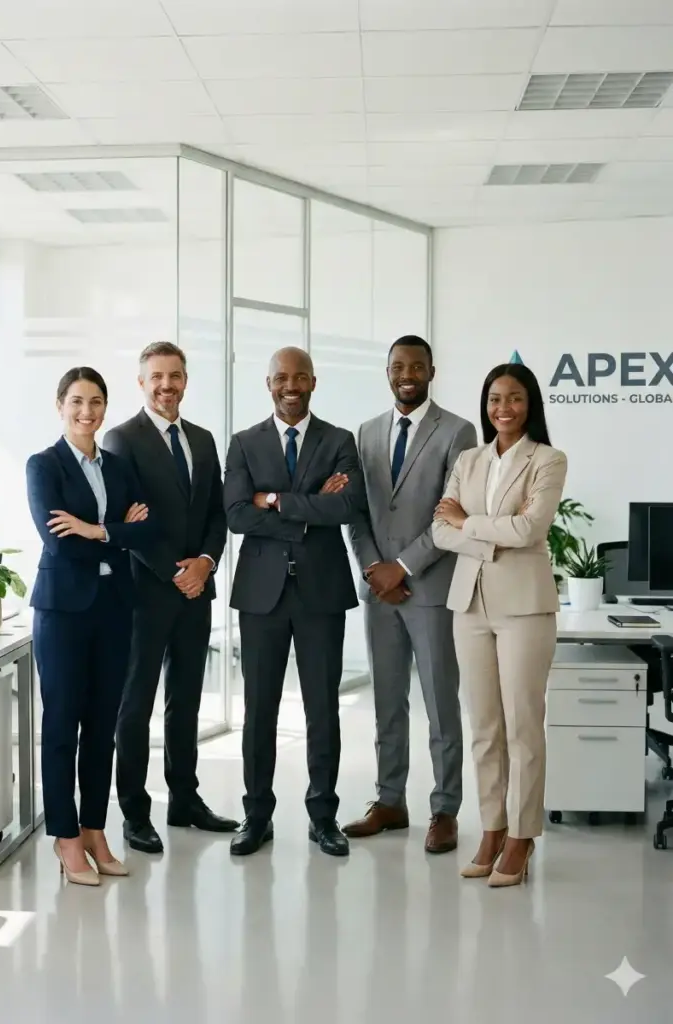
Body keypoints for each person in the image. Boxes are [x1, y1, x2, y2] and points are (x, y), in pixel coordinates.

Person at [223, 346, 365, 858]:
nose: (290, 385)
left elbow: (347, 506)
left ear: (313, 382)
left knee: (322, 709)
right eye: (281, 377)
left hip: (321, 594)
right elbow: (237, 514)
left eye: (299, 377)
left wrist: (277, 499)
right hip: (261, 596)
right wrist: (310, 508)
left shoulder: (339, 440)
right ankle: (256, 815)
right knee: (258, 710)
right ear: (268, 384)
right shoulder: (244, 443)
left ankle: (323, 817)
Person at [432, 362, 567, 888]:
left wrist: (468, 523)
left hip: (524, 608)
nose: (502, 409)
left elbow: (533, 526)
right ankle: (492, 828)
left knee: (522, 726)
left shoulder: (547, 459)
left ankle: (522, 836)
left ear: (529, 403)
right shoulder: (469, 459)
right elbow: (440, 531)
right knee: (484, 726)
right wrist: (486, 533)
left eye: (512, 398)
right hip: (469, 604)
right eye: (493, 399)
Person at [26, 366, 160, 886]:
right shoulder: (45, 466)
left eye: (97, 402)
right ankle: (64, 837)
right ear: (60, 405)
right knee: (62, 723)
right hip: (62, 610)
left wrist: (96, 527)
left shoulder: (119, 467)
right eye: (78, 402)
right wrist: (114, 531)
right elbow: (58, 539)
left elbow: (147, 531)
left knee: (103, 724)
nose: (88, 412)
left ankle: (94, 829)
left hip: (113, 606)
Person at [103, 341, 238, 855]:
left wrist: (204, 563)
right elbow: (128, 518)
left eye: (175, 375)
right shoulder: (121, 440)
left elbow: (216, 514)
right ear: (141, 383)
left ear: (186, 380)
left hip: (196, 592)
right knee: (134, 706)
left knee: (186, 702)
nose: (167, 385)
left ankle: (185, 800)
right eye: (157, 376)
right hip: (142, 593)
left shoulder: (202, 440)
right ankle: (136, 813)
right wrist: (172, 571)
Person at [344, 336, 477, 853]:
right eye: (398, 366)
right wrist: (374, 568)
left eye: (416, 366)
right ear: (387, 371)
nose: (407, 374)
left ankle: (445, 809)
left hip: (429, 588)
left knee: (441, 703)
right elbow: (358, 512)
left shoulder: (457, 431)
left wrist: (401, 567)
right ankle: (390, 800)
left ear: (431, 372)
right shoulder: (368, 432)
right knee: (385, 700)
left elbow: (450, 511)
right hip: (380, 591)